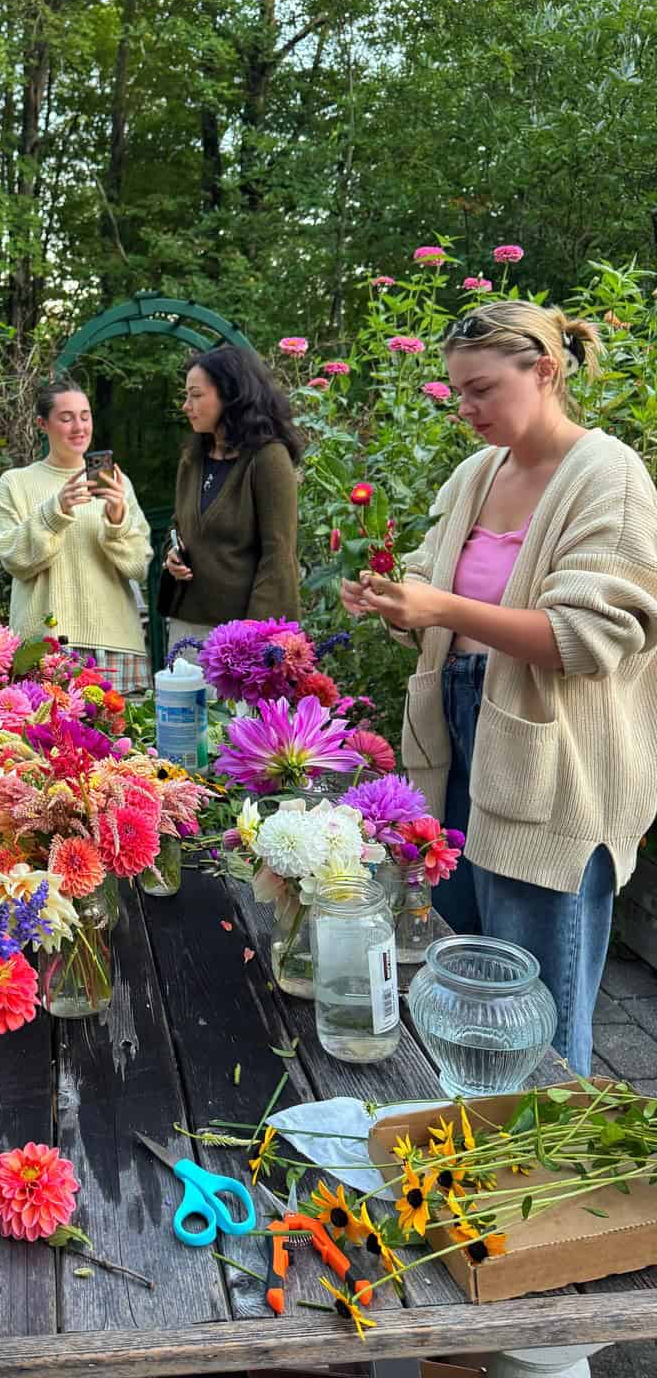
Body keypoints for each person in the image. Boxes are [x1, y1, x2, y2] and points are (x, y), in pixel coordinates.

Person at [341, 301, 657, 1076]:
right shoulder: (477, 473)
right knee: (462, 977)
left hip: (557, 768)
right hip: (454, 747)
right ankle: (471, 1139)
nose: (467, 409)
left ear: (544, 371)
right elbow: (430, 573)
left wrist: (440, 607)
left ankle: (553, 1173)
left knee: (536, 1000)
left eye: (481, 389)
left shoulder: (607, 475)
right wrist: (398, 601)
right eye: (458, 392)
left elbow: (589, 637)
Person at [0, 379, 152, 692]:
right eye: (66, 418)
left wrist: (117, 517)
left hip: (116, 645)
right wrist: (54, 511)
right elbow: (14, 559)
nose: (79, 427)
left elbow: (138, 566)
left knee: (125, 742)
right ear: (42, 424)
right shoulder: (15, 484)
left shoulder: (118, 483)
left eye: (85, 416)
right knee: (45, 740)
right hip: (44, 648)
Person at [161, 345, 302, 657]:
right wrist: (172, 555)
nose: (186, 405)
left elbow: (278, 556)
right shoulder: (192, 460)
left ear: (231, 394)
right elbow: (180, 526)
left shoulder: (268, 458)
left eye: (196, 395)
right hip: (186, 628)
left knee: (231, 710)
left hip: (243, 635)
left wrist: (256, 640)